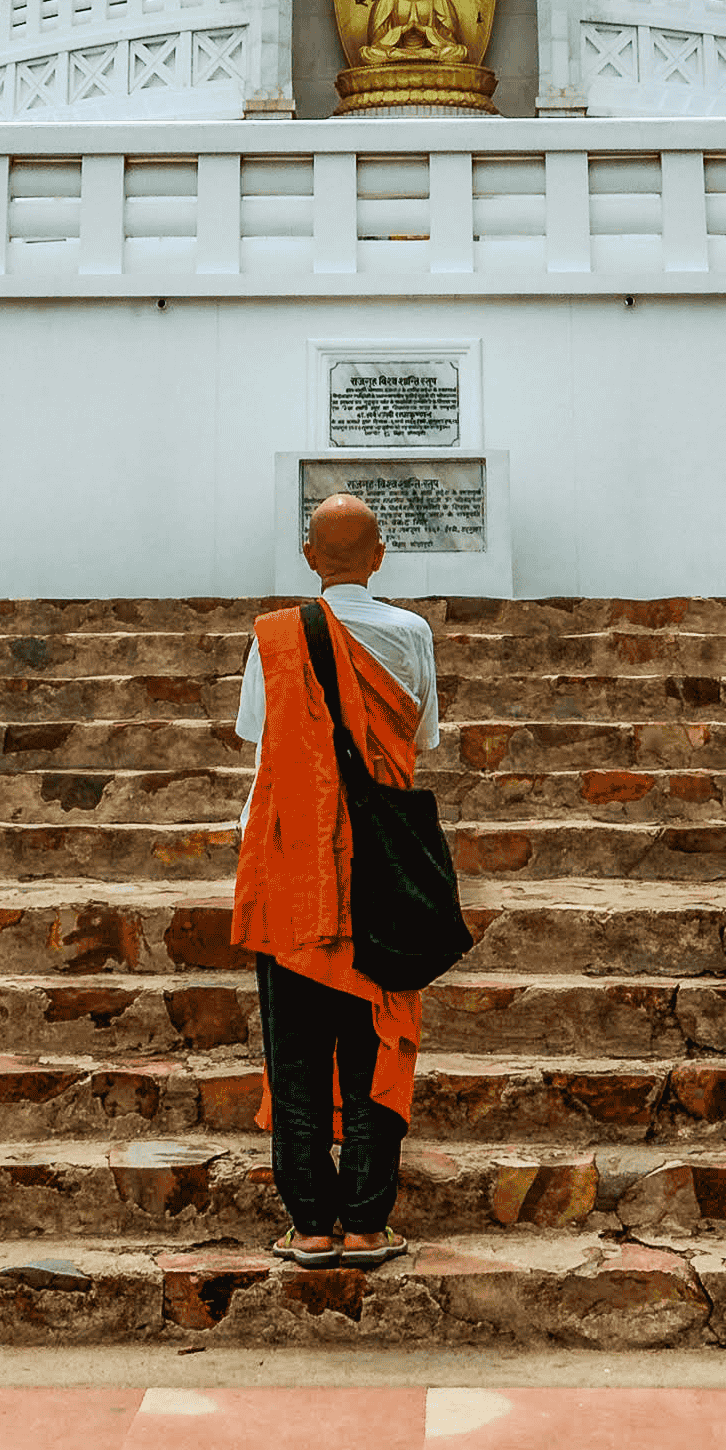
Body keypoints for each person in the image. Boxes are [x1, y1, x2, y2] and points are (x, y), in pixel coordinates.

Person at [228, 489, 437, 1266]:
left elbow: (265, 751)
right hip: (381, 873)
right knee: (377, 1036)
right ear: (379, 558)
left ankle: (310, 1224)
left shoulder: (277, 638)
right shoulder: (410, 634)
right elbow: (419, 738)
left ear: (311, 559)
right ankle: (368, 1223)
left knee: (297, 1053)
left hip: (291, 869)